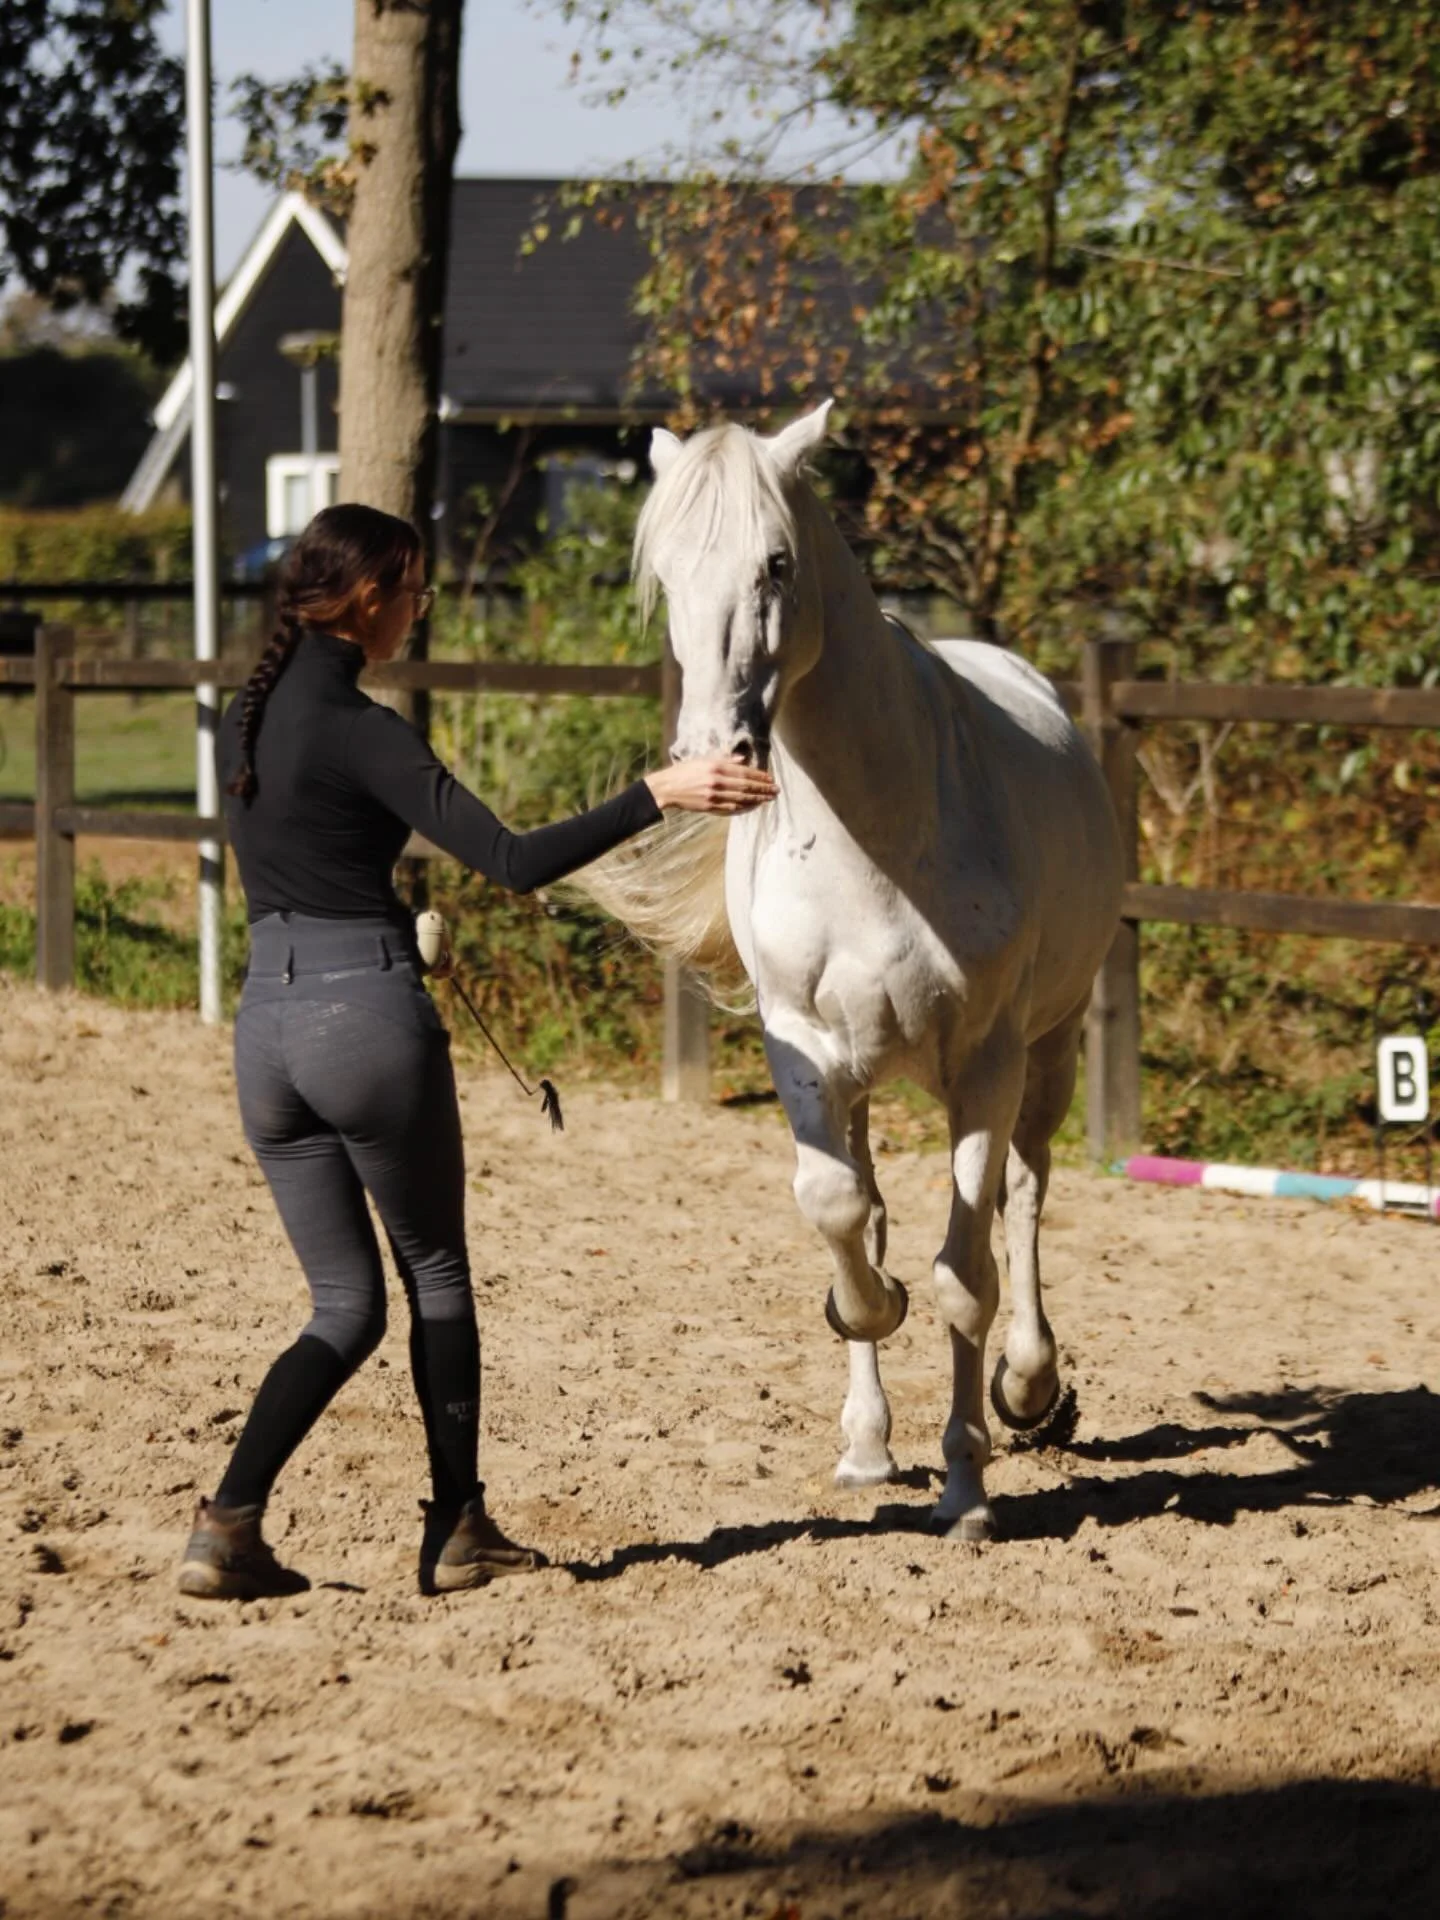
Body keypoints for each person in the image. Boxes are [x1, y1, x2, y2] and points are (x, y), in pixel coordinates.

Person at [177, 504, 775, 1601]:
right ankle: (459, 1528)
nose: (421, 608)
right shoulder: (370, 732)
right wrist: (662, 793)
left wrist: (382, 910)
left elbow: (306, 857)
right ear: (367, 600)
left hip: (266, 1029)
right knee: (437, 1277)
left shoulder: (246, 720)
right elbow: (510, 860)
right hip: (365, 1025)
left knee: (342, 1306)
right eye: (414, 589)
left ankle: (227, 1525)